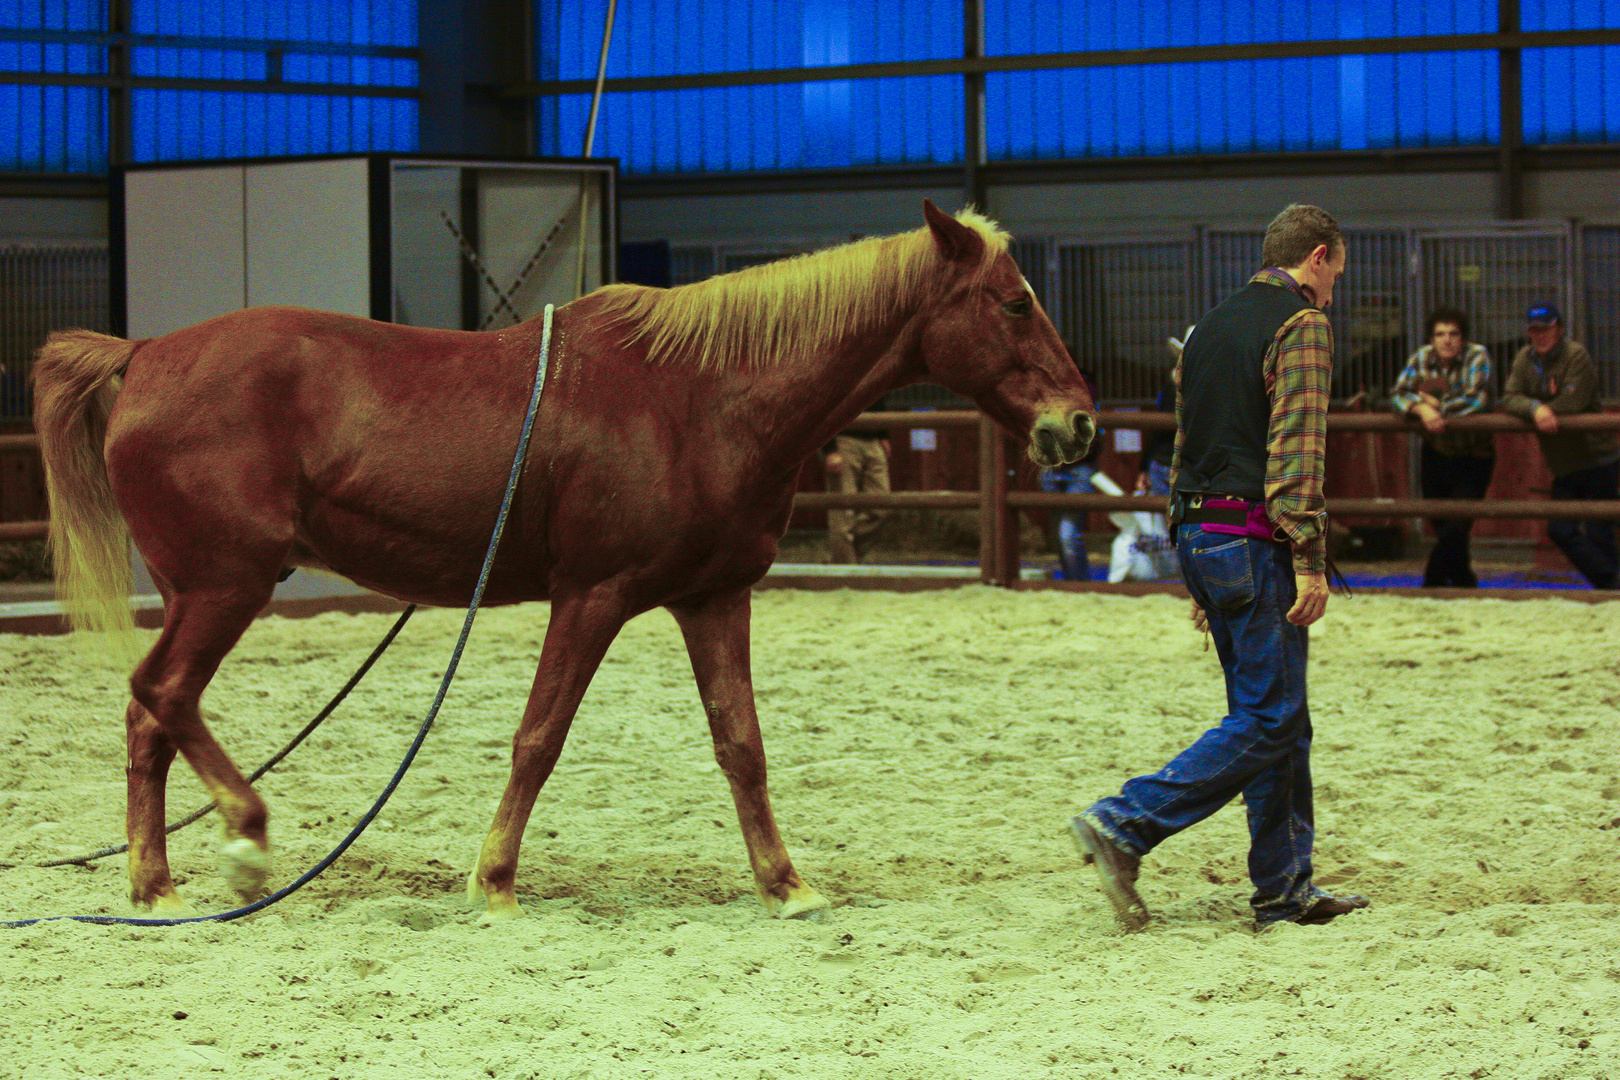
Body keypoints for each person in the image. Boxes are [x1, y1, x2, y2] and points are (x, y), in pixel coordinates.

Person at [1069, 203, 1369, 932]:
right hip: (1255, 537)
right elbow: (1298, 450)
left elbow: (1184, 447)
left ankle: (1284, 890)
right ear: (1320, 257)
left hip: (1202, 533)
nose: (1334, 288)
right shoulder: (1302, 326)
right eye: (1337, 270)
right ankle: (1124, 822)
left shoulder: (1204, 333)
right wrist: (1310, 558)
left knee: (1274, 717)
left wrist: (1191, 562)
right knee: (1271, 718)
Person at [1499, 304, 1619, 589]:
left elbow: (1573, 403)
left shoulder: (1576, 356)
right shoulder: (1523, 359)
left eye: (1546, 328)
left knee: (1600, 532)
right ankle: (1611, 582)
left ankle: (1610, 588)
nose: (1539, 335)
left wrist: (1537, 409)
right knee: (1560, 529)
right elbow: (1509, 396)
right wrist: (1535, 408)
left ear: (1560, 329)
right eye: (1534, 330)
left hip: (1598, 458)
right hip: (1564, 464)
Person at [1390, 307, 1495, 587]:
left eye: (1453, 334)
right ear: (1431, 338)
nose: (1447, 340)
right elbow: (1398, 393)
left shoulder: (1478, 356)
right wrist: (1420, 408)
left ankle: (1432, 581)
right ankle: (1464, 580)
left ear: (1463, 338)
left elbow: (1477, 399)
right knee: (1440, 523)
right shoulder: (1421, 358)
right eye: (1440, 334)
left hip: (1474, 454)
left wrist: (1439, 406)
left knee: (1457, 523)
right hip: (1436, 453)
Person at [1039, 369, 1102, 581]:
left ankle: (1077, 583)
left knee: (1067, 533)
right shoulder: (1041, 385)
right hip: (1054, 467)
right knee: (1061, 534)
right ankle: (1073, 581)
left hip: (1077, 467)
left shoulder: (1082, 386)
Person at [823, 396, 892, 564]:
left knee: (881, 506)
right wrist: (830, 448)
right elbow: (824, 404)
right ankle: (844, 569)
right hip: (843, 439)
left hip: (872, 439)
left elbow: (879, 396)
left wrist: (883, 434)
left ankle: (842, 554)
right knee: (843, 509)